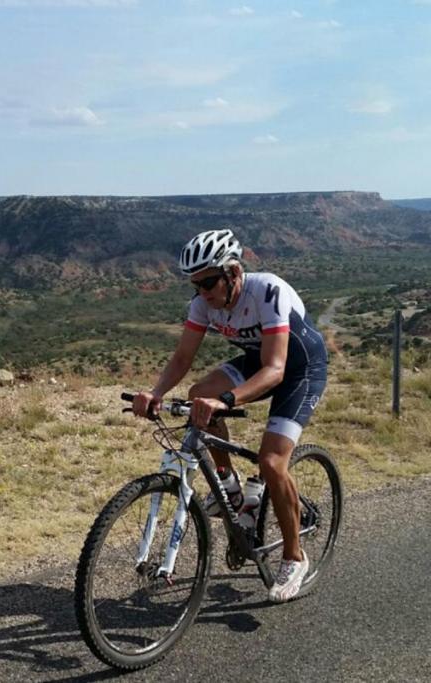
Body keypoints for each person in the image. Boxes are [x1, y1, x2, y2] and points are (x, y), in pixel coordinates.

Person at [131, 228, 328, 603]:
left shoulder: (267, 290)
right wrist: (155, 393)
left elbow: (276, 369)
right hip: (260, 361)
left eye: (208, 282)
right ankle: (229, 485)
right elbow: (182, 358)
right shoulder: (203, 304)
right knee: (196, 396)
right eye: (195, 285)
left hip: (299, 369)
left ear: (233, 273)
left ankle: (294, 556)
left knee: (272, 462)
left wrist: (227, 400)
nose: (202, 292)